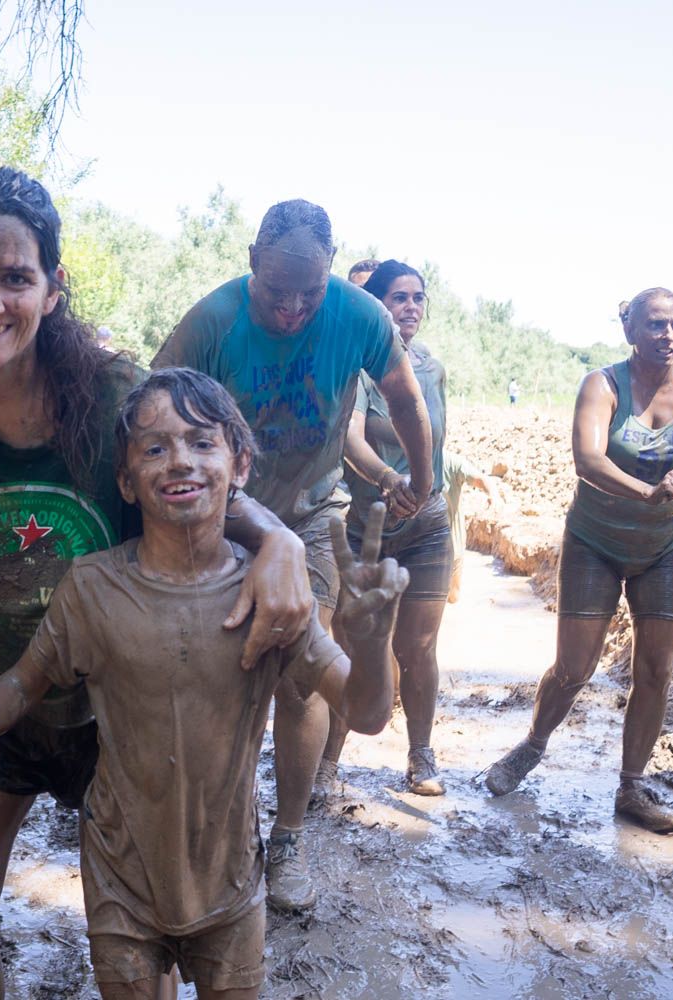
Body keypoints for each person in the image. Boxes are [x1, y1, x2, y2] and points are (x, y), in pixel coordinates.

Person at [0, 168, 312, 999]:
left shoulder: (112, 391)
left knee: (171, 920)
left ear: (53, 286)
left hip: (123, 708)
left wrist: (280, 538)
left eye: (16, 277)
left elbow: (192, 479)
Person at [0, 369, 406, 1000]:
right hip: (122, 875)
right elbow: (25, 681)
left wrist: (372, 640)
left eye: (202, 443)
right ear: (125, 480)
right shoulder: (92, 587)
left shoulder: (272, 598)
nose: (180, 462)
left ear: (241, 464)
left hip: (229, 882)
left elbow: (365, 713)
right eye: (154, 448)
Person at [152, 202, 432, 911]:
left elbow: (402, 396)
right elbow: (150, 408)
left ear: (330, 272)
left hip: (312, 515)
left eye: (310, 292)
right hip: (219, 520)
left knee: (302, 674)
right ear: (252, 260)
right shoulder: (212, 322)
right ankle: (218, 824)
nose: (293, 308)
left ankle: (289, 836)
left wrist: (424, 480)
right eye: (278, 293)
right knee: (218, 668)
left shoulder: (359, 316)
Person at [483, 288, 673, 834]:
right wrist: (647, 491)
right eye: (654, 325)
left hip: (664, 549)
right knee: (575, 668)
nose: (667, 336)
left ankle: (631, 786)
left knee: (656, 670)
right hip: (594, 543)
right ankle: (532, 745)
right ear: (630, 331)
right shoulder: (602, 386)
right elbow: (587, 460)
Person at [326, 260, 452, 796]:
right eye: (398, 297)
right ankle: (327, 759)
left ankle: (421, 755)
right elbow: (349, 437)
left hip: (427, 525)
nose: (411, 307)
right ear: (375, 305)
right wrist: (385, 479)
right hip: (367, 524)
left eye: (418, 297)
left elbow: (436, 442)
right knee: (352, 647)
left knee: (418, 648)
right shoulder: (354, 366)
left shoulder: (433, 367)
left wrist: (421, 489)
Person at [440, 449, 502, 604]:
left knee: (452, 599)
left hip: (453, 547)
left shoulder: (451, 461)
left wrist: (493, 495)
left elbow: (480, 479)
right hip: (423, 550)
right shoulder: (409, 457)